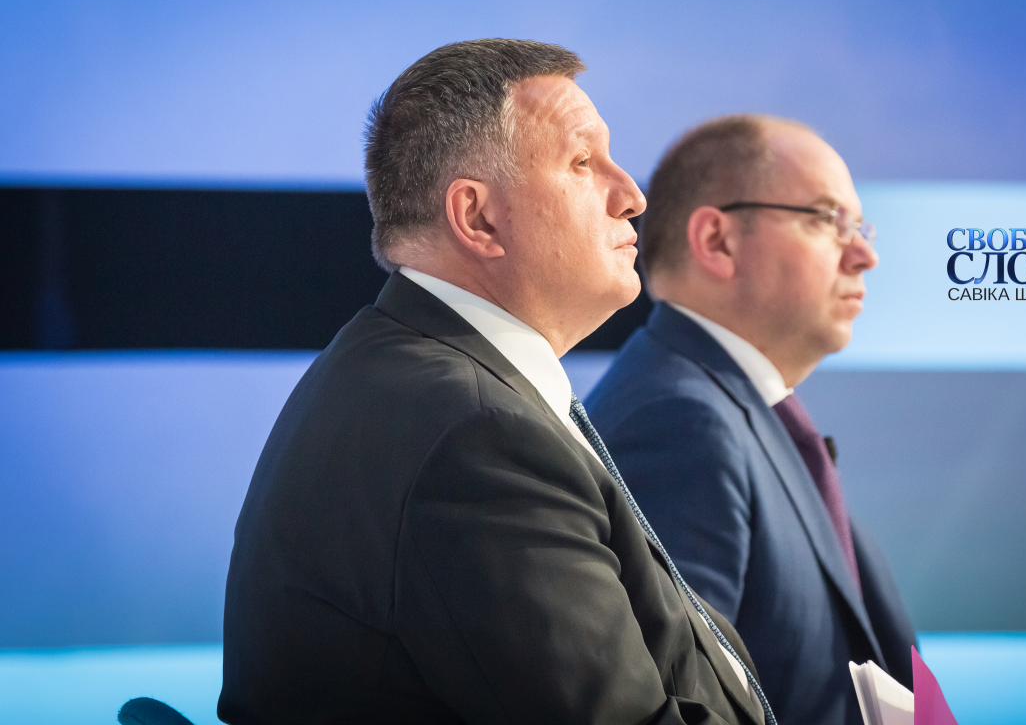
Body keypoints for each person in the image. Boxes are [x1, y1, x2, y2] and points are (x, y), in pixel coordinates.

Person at [218, 40, 771, 725]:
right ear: (478, 217)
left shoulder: (412, 373)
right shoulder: (477, 435)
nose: (632, 197)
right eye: (582, 162)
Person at [585, 115, 916, 725]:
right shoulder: (678, 422)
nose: (864, 255)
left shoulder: (734, 414)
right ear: (717, 241)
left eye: (860, 227)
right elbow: (677, 702)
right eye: (828, 219)